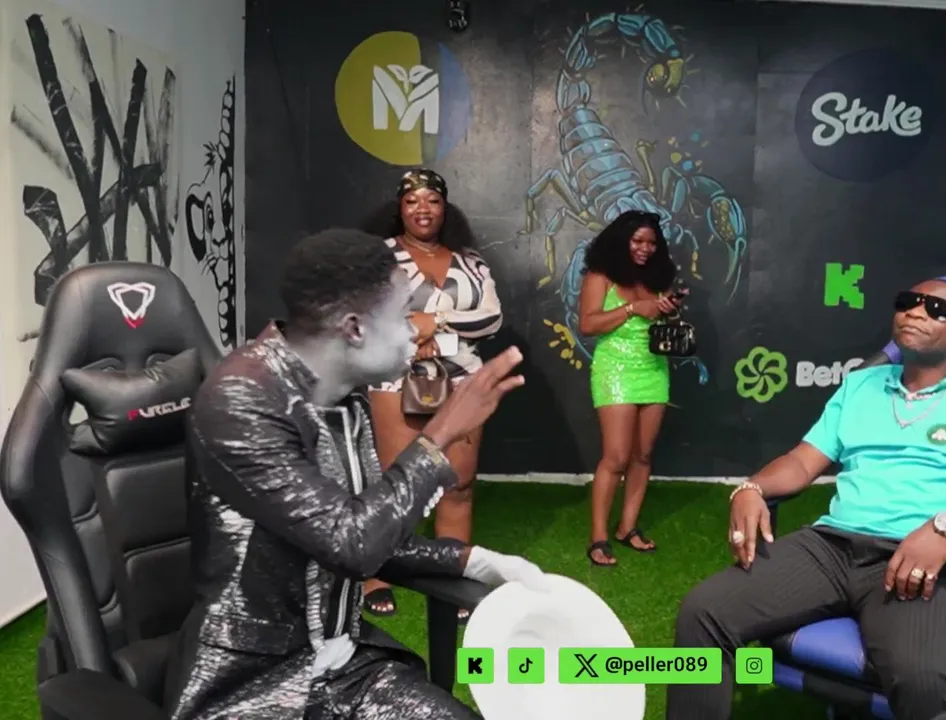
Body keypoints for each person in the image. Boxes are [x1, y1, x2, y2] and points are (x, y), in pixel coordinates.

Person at [165, 229, 542, 720]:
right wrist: (441, 433)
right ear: (355, 329)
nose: (415, 332)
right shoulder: (240, 399)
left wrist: (470, 560)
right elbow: (352, 544)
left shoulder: (345, 400)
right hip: (250, 684)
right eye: (404, 315)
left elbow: (359, 526)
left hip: (344, 666)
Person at [666, 280, 946, 720]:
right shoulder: (859, 386)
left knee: (923, 680)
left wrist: (944, 527)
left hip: (920, 559)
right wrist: (752, 488)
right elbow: (801, 462)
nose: (916, 312)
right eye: (908, 302)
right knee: (704, 612)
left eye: (937, 309)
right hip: (831, 547)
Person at [363, 169, 503, 618]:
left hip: (464, 382)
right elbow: (370, 320)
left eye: (432, 201)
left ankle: (450, 577)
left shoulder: (470, 261)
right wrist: (412, 334)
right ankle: (378, 574)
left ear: (445, 208)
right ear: (400, 208)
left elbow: (491, 319)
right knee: (396, 485)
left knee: (458, 485)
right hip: (396, 379)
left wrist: (435, 324)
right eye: (412, 201)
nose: (423, 210)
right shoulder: (377, 258)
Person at [577, 210, 684, 566]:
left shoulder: (658, 277)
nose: (645, 248)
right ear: (621, 240)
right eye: (638, 241)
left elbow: (657, 320)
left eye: (652, 243)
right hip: (615, 370)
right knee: (617, 457)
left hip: (654, 369)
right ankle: (598, 537)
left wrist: (667, 310)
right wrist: (633, 308)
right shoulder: (600, 276)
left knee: (643, 455)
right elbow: (588, 325)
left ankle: (627, 527)